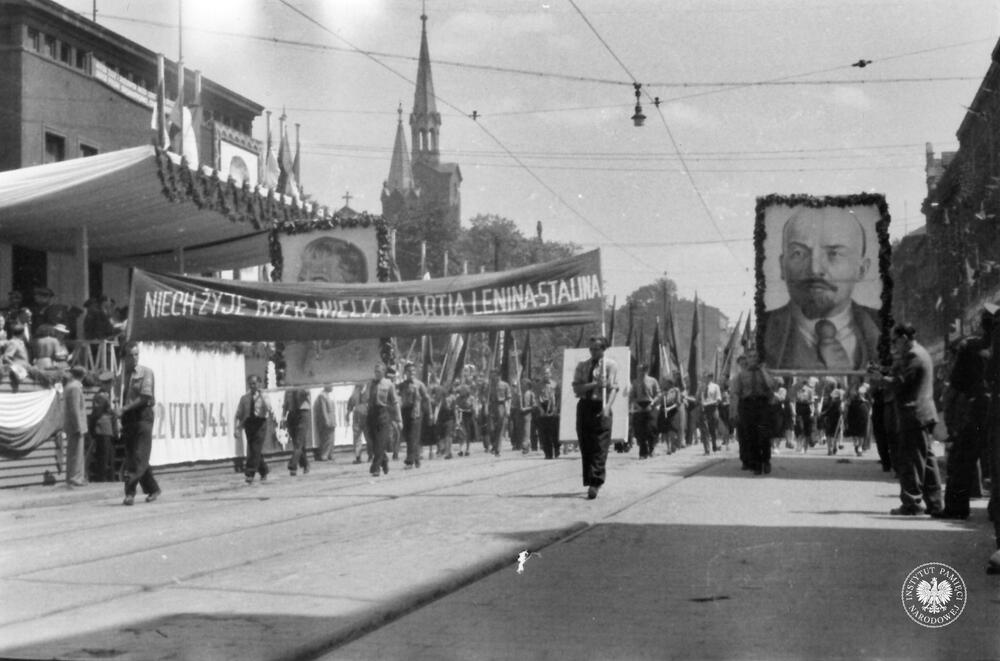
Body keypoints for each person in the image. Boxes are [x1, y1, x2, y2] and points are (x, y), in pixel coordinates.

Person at [761, 206, 881, 370]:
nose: (815, 269)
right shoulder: (764, 330)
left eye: (834, 254)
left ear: (862, 269)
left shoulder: (882, 327)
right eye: (798, 253)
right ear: (782, 266)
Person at [936, 306, 994, 519]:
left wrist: (950, 414)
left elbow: (956, 385)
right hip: (993, 407)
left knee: (962, 460)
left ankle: (956, 507)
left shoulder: (969, 346)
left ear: (981, 323)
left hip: (975, 408)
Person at [887, 323, 944, 516]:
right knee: (926, 460)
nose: (894, 345)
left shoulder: (913, 355)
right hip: (923, 413)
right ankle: (935, 503)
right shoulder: (921, 353)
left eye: (895, 341)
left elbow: (901, 383)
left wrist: (881, 379)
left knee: (911, 460)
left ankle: (911, 503)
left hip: (914, 413)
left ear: (904, 338)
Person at [572, 335, 619, 499]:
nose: (593, 351)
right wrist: (594, 384)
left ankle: (596, 482)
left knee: (600, 446)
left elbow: (614, 388)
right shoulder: (582, 366)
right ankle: (589, 479)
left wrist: (607, 407)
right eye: (591, 348)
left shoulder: (610, 365)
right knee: (586, 445)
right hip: (585, 407)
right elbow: (577, 389)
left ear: (603, 348)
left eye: (596, 348)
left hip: (601, 405)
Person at [114, 341, 160, 505]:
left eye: (136, 354)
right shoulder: (120, 378)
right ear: (123, 358)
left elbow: (145, 397)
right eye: (130, 355)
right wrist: (118, 417)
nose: (134, 358)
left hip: (142, 415)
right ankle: (153, 488)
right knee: (133, 455)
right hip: (128, 418)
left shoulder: (146, 373)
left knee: (139, 455)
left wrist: (124, 408)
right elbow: (117, 400)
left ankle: (130, 492)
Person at [730, 348, 777, 474]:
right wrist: (734, 412)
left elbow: (772, 385)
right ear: (747, 359)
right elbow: (736, 394)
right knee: (751, 436)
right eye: (750, 356)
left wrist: (762, 370)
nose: (753, 359)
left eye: (755, 356)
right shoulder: (740, 375)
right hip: (747, 406)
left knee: (763, 434)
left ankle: (766, 460)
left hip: (762, 405)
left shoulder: (764, 372)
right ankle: (756, 464)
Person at [234, 375, 275, 484]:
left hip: (260, 423)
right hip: (249, 424)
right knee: (253, 448)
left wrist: (263, 396)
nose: (253, 386)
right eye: (251, 384)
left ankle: (250, 473)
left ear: (259, 384)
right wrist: (237, 428)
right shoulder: (245, 398)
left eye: (255, 383)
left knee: (255, 448)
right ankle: (263, 470)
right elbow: (239, 414)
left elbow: (269, 408)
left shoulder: (264, 395)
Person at [366, 362, 401, 477]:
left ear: (384, 372)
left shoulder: (389, 384)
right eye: (375, 371)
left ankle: (375, 468)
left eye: (379, 371)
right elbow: (366, 399)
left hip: (383, 414)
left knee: (381, 441)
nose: (377, 374)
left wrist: (399, 419)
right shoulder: (370, 383)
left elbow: (395, 402)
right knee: (374, 443)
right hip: (371, 414)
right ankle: (384, 461)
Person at [397, 361, 430, 468]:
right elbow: (395, 394)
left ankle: (409, 461)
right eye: (409, 371)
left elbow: (427, 398)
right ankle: (416, 459)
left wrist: (430, 413)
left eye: (413, 371)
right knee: (408, 437)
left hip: (416, 412)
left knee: (412, 436)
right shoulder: (402, 385)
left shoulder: (419, 384)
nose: (412, 372)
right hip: (405, 412)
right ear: (405, 372)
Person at [87, 370, 118, 482]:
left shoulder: (106, 395)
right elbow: (96, 414)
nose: (111, 386)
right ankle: (102, 478)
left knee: (107, 455)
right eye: (109, 383)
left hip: (107, 429)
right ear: (105, 384)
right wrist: (92, 429)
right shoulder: (101, 396)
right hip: (102, 429)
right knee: (103, 456)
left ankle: (106, 477)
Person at [62, 366, 87, 487]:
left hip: (71, 424)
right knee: (77, 452)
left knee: (73, 452)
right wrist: (78, 426)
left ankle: (73, 476)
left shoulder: (69, 386)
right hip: (76, 425)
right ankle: (75, 477)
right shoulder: (76, 388)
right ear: (82, 376)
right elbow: (75, 408)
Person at [630, 362, 661, 459]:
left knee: (651, 429)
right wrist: (636, 405)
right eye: (638, 370)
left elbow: (658, 394)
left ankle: (652, 448)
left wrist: (653, 402)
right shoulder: (635, 382)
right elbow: (632, 396)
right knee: (640, 430)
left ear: (645, 370)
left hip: (650, 405)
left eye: (641, 370)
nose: (639, 372)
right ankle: (643, 452)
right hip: (639, 406)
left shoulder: (653, 381)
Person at [283, 388, 311, 476]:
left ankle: (292, 465)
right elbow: (285, 403)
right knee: (297, 442)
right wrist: (283, 417)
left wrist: (299, 388)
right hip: (291, 414)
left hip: (303, 413)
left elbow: (307, 393)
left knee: (299, 441)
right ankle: (305, 464)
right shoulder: (289, 389)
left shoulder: (303, 386)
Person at [486, 370, 512, 456]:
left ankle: (497, 449)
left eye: (494, 376)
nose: (493, 378)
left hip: (501, 405)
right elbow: (487, 398)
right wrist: (486, 407)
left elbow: (508, 398)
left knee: (500, 429)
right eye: (492, 376)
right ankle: (494, 444)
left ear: (498, 376)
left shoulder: (505, 385)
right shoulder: (490, 386)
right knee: (491, 428)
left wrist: (507, 409)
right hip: (492, 406)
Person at [512, 376, 536, 455]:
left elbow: (534, 405)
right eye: (521, 383)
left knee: (526, 431)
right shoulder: (520, 394)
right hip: (519, 415)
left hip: (527, 415)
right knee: (521, 432)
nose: (522, 385)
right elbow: (515, 404)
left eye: (523, 384)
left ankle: (525, 447)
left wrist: (526, 409)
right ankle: (524, 444)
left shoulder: (531, 394)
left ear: (527, 385)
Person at [346, 382, 369, 464]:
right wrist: (348, 414)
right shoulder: (355, 392)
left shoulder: (369, 391)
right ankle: (358, 456)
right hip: (357, 417)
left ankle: (371, 455)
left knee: (368, 436)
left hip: (367, 416)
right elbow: (350, 404)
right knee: (356, 437)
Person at [699, 372, 722, 454]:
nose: (705, 379)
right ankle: (707, 449)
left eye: (706, 377)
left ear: (711, 378)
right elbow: (698, 397)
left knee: (713, 428)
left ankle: (715, 445)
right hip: (704, 409)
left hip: (713, 408)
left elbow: (719, 398)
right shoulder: (701, 387)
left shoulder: (715, 386)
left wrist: (714, 402)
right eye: (704, 377)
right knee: (705, 429)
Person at [431, 384, 455, 460]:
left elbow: (452, 409)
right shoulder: (436, 402)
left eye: (438, 392)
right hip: (440, 420)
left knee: (448, 436)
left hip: (448, 419)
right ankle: (443, 450)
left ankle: (448, 452)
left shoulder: (448, 400)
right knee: (441, 437)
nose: (436, 394)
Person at [314, 383, 336, 462]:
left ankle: (330, 454)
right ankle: (324, 454)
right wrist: (326, 420)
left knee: (332, 438)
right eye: (331, 386)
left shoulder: (329, 395)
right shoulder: (322, 396)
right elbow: (323, 410)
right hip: (326, 419)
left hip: (331, 418)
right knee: (326, 437)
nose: (332, 387)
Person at [454, 383, 477, 457]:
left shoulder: (471, 398)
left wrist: (468, 410)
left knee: (468, 433)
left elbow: (473, 409)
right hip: (460, 416)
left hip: (469, 417)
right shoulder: (458, 398)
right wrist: (457, 411)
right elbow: (456, 407)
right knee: (460, 433)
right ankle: (460, 449)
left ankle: (467, 449)